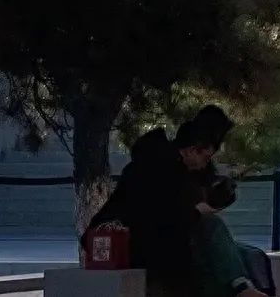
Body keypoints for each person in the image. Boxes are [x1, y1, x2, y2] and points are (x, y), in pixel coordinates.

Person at [89, 105, 267, 297]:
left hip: (165, 246)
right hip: (141, 246)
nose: (205, 164)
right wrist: (198, 211)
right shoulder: (155, 169)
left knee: (243, 254)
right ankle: (241, 289)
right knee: (211, 228)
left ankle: (241, 287)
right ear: (191, 150)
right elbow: (158, 220)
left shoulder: (180, 170)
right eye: (205, 158)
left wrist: (216, 197)